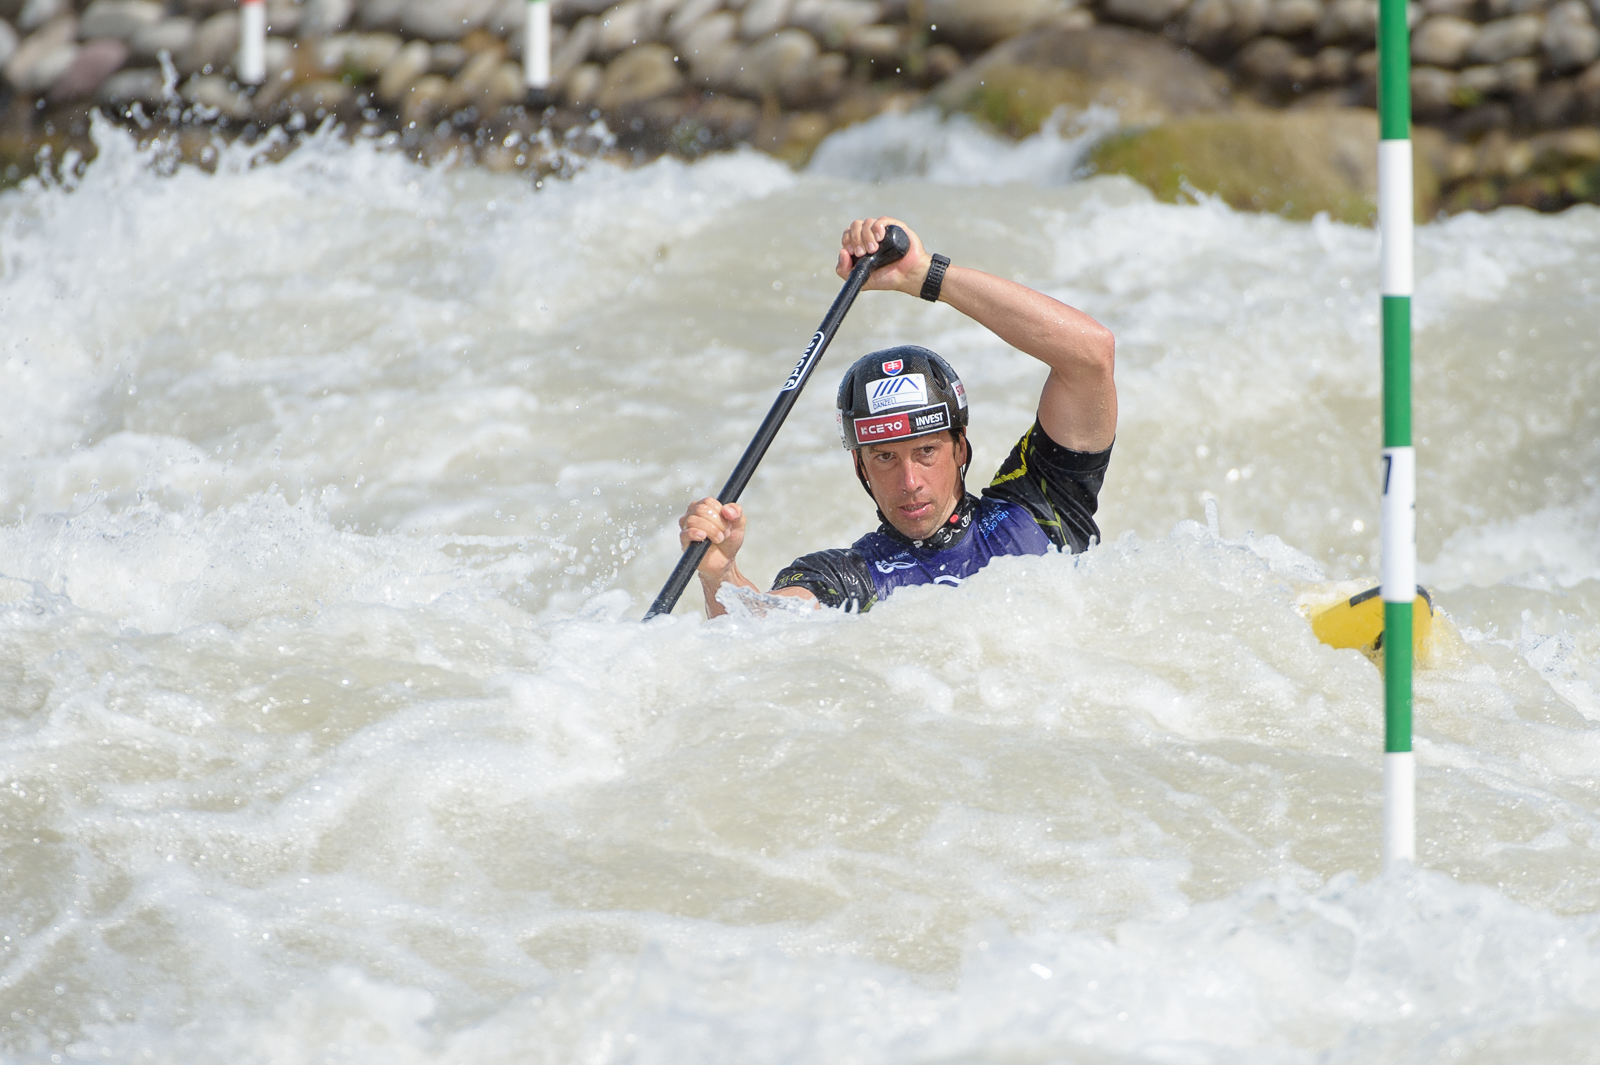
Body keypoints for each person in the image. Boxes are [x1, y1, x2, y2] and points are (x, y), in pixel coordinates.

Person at [678, 216, 1117, 617]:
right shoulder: (849, 576)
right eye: (885, 458)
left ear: (960, 447)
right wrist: (722, 576)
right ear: (859, 466)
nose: (910, 483)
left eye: (926, 451)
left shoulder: (1042, 505)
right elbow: (763, 631)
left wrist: (924, 275)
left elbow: (1090, 355)